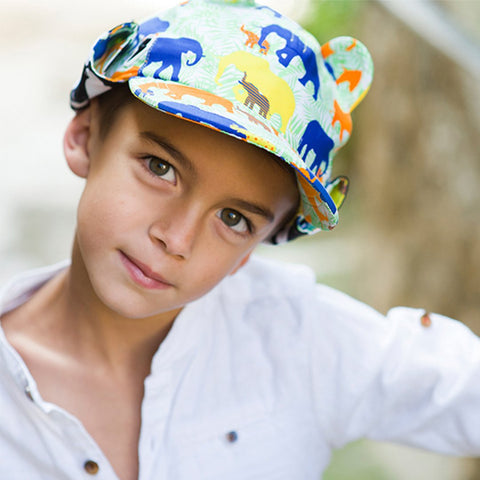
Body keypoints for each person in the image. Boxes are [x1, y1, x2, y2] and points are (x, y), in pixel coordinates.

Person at [0, 0, 479, 479]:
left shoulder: (299, 343)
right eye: (159, 167)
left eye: (233, 219)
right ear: (85, 136)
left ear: (253, 250)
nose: (176, 238)